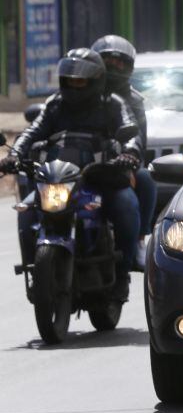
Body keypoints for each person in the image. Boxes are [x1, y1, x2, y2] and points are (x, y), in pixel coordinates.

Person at [0, 48, 143, 300]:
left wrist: (129, 153)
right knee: (26, 211)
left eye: (80, 81)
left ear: (96, 80)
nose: (74, 86)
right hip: (59, 179)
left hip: (99, 177)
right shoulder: (55, 104)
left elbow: (131, 131)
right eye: (69, 80)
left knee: (126, 205)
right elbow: (32, 131)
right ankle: (36, 273)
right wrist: (14, 155)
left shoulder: (112, 104)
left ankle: (121, 275)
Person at [91, 34, 157, 269]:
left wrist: (128, 155)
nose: (113, 67)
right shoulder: (81, 94)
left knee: (144, 180)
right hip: (82, 163)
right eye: (107, 61)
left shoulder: (132, 101)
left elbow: (138, 137)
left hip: (118, 164)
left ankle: (137, 242)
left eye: (120, 63)